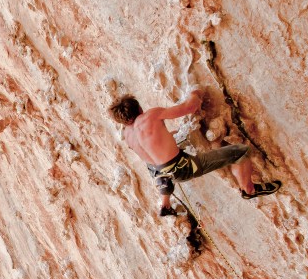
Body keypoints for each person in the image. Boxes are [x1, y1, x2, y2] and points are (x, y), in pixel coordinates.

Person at [108, 91, 280, 216]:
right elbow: (189, 107)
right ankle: (249, 189)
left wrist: (170, 137)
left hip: (165, 172)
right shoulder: (151, 115)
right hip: (184, 167)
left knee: (157, 169)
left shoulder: (128, 136)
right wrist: (196, 91)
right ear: (139, 108)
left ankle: (165, 204)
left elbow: (151, 154)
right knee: (240, 152)